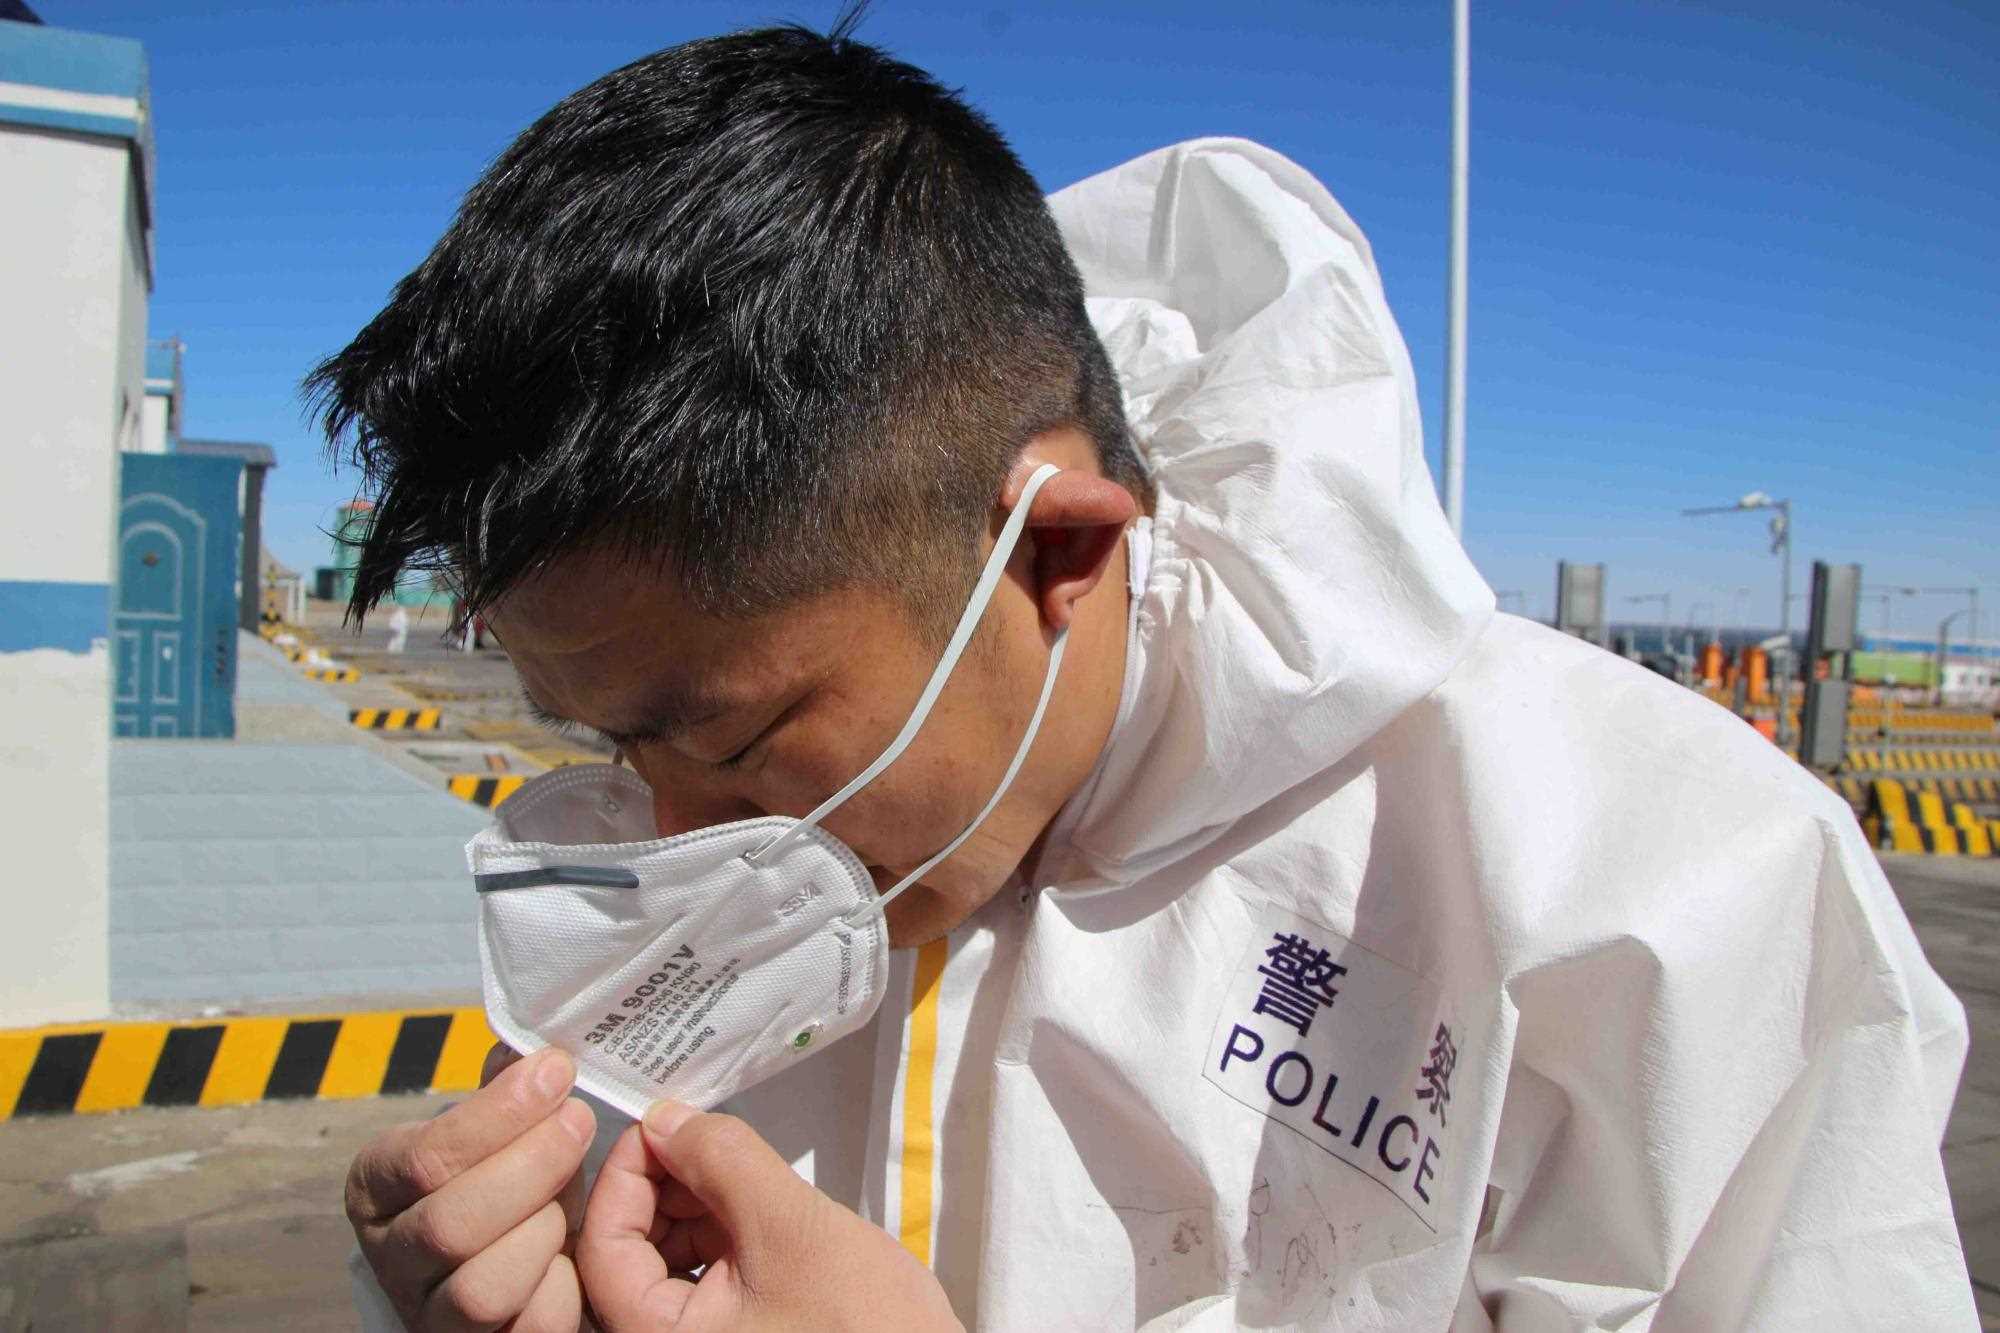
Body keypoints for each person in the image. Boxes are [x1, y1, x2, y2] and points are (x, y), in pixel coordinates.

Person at [311, 16, 1976, 1333]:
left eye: (739, 741)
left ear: (1058, 552)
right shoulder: (690, 879)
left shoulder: (1662, 891)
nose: (677, 843)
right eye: (615, 747)